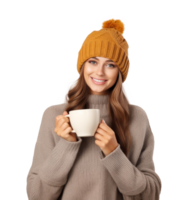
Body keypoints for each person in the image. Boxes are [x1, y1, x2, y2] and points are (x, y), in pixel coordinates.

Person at [24, 17, 163, 200]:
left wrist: (114, 153)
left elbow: (151, 194)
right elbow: (36, 194)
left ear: (120, 72)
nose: (99, 72)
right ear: (82, 65)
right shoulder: (53, 116)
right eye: (93, 62)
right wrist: (66, 145)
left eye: (110, 65)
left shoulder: (138, 117)